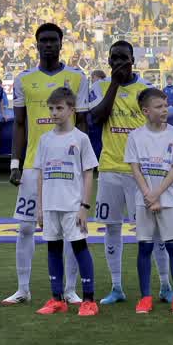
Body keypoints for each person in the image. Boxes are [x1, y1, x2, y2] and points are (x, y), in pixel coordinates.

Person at [4, 23, 86, 306]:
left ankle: (70, 289)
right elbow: (19, 124)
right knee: (26, 227)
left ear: (61, 43)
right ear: (36, 44)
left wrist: (83, 161)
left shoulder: (77, 77)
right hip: (33, 165)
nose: (48, 45)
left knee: (71, 229)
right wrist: (15, 162)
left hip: (68, 167)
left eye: (53, 40)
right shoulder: (23, 79)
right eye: (43, 40)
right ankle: (22, 289)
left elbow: (83, 121)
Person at [81, 39, 160, 305]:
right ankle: (116, 287)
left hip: (141, 173)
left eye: (123, 58)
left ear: (133, 61)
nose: (119, 63)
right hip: (110, 169)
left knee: (150, 230)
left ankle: (164, 285)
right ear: (108, 61)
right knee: (111, 228)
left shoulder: (146, 89)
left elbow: (157, 127)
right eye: (114, 58)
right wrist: (114, 83)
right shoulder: (100, 87)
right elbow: (96, 118)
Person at [32, 86, 100, 316]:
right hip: (51, 206)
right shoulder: (45, 140)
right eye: (51, 108)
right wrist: (40, 207)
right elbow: (41, 174)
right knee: (53, 248)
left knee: (79, 247)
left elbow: (89, 174)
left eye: (59, 108)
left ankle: (89, 300)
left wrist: (84, 206)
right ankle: (57, 298)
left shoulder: (81, 139)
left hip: (73, 206)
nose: (54, 113)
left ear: (71, 109)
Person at [124, 87, 173, 314]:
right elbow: (135, 168)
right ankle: (145, 297)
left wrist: (157, 194)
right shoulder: (135, 136)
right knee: (144, 246)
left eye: (166, 106)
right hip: (144, 200)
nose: (164, 110)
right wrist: (148, 194)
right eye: (159, 106)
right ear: (145, 111)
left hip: (168, 200)